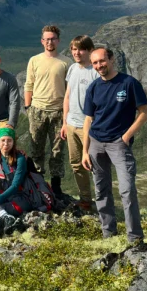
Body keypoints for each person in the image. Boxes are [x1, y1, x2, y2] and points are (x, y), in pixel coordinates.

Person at [81, 47, 147, 245]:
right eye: (94, 63)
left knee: (127, 190)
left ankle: (134, 237)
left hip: (119, 144)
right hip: (96, 143)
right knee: (101, 190)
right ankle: (108, 233)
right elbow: (88, 120)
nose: (99, 66)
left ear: (111, 59)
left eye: (102, 61)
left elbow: (144, 112)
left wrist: (127, 136)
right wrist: (85, 151)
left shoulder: (129, 83)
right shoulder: (94, 87)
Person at [0, 128, 45, 250]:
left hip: (23, 197)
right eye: (3, 141)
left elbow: (15, 186)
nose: (6, 144)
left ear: (13, 142)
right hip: (5, 193)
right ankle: (5, 216)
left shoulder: (20, 159)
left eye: (9, 141)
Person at [24, 24, 71, 195]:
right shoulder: (34, 60)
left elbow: (69, 89)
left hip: (59, 112)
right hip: (37, 110)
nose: (49, 42)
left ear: (58, 41)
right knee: (36, 148)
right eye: (46, 39)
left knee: (57, 151)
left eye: (53, 39)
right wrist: (28, 107)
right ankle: (38, 183)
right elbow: (29, 84)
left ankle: (56, 186)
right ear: (42, 41)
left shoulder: (66, 62)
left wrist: (67, 114)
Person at [60, 35, 96, 211]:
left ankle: (103, 200)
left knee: (94, 164)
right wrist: (65, 122)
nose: (76, 53)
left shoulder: (95, 72)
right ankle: (85, 200)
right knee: (76, 164)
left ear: (90, 50)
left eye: (80, 49)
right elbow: (68, 95)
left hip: (90, 127)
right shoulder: (73, 68)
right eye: (74, 49)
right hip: (72, 124)